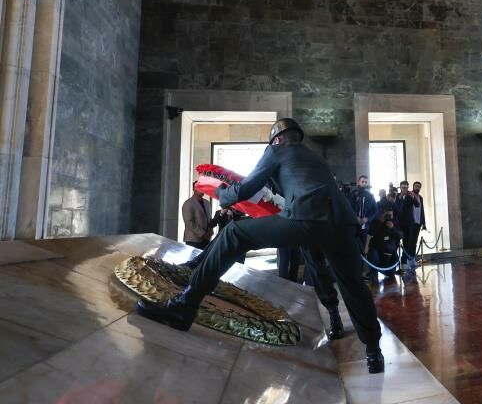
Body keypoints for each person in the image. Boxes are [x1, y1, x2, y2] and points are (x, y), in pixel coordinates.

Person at [136, 118, 385, 373]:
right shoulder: (315, 158)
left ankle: (184, 306)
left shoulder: (276, 151)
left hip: (305, 220)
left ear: (276, 139)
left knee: (234, 233)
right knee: (351, 284)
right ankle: (373, 351)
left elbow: (246, 188)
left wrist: (223, 195)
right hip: (343, 225)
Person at [395, 180, 427, 275]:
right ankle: (399, 263)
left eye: (406, 187)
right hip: (397, 224)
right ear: (400, 188)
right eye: (403, 187)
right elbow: (395, 207)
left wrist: (423, 222)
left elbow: (418, 205)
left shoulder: (411, 196)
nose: (405, 189)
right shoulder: (397, 197)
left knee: (408, 243)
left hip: (409, 224)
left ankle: (407, 261)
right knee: (398, 244)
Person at [366, 208, 403, 283]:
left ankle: (391, 273)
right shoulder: (376, 222)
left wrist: (393, 228)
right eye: (387, 215)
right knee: (372, 254)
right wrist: (380, 222)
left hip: (390, 254)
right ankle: (373, 274)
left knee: (391, 274)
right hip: (378, 251)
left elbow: (401, 235)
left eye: (390, 215)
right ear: (383, 214)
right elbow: (370, 233)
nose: (389, 217)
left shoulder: (394, 223)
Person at [181, 182, 212, 249]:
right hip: (193, 239)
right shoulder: (188, 203)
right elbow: (189, 222)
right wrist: (203, 234)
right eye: (200, 188)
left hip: (206, 239)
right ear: (194, 189)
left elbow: (209, 218)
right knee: (194, 258)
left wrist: (211, 230)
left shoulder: (207, 203)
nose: (203, 190)